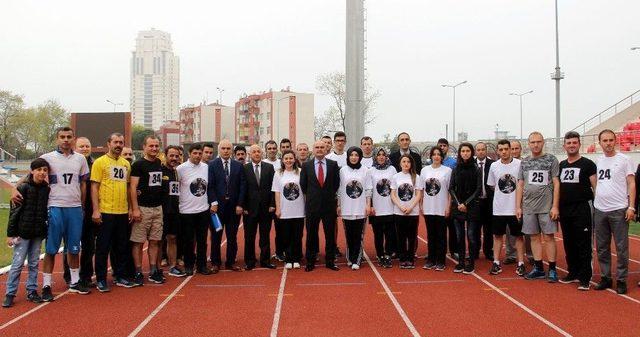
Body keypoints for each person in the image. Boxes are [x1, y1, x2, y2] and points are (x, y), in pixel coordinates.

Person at [11, 127, 92, 299]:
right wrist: (13, 189)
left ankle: (75, 282)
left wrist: (82, 206)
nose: (65, 140)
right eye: (62, 137)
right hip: (54, 207)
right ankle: (47, 285)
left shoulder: (80, 159)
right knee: (51, 249)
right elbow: (29, 175)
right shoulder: (47, 158)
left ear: (73, 139)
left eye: (69, 137)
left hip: (75, 209)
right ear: (57, 139)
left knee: (74, 248)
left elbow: (83, 184)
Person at [3, 159, 50, 308]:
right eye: (39, 170)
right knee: (17, 264)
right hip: (23, 232)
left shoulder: (46, 189)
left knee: (34, 263)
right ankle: (10, 293)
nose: (42, 172)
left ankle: (32, 291)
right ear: (32, 171)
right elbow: (14, 213)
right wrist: (11, 234)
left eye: (44, 170)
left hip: (37, 233)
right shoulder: (22, 188)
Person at [593, 129, 635, 294]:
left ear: (615, 141)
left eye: (611, 140)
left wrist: (631, 207)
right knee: (602, 246)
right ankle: (605, 277)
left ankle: (622, 279)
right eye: (605, 140)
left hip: (619, 209)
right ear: (600, 142)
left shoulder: (625, 160)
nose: (608, 143)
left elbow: (631, 183)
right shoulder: (599, 160)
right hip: (600, 209)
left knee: (621, 247)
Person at [92, 133, 135, 291]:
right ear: (108, 143)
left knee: (121, 246)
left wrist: (130, 208)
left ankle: (120, 275)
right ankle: (101, 279)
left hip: (122, 212)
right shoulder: (100, 162)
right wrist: (96, 210)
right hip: (106, 211)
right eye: (115, 142)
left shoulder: (126, 164)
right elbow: (94, 187)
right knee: (103, 247)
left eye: (121, 142)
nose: (118, 145)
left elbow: (129, 187)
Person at [516, 132, 560, 282]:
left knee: (548, 237)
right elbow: (520, 185)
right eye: (533, 142)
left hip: (546, 207)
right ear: (528, 144)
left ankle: (553, 269)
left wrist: (555, 206)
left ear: (543, 142)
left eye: (538, 142)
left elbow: (556, 183)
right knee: (534, 237)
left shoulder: (551, 159)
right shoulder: (524, 162)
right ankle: (539, 268)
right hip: (528, 207)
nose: (535, 145)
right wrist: (518, 206)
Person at [558, 131, 596, 291]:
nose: (572, 145)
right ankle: (572, 271)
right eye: (569, 143)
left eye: (574, 142)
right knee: (569, 242)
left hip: (582, 208)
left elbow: (596, 187)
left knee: (583, 242)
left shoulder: (588, 164)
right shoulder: (562, 165)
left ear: (579, 144)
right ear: (564, 146)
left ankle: (585, 277)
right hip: (565, 209)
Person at [486, 139, 526, 277]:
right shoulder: (494, 166)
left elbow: (522, 184)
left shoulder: (520, 164)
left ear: (510, 149)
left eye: (506, 149)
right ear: (498, 151)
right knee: (497, 236)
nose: (503, 152)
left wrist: (519, 205)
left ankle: (521, 263)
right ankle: (496, 262)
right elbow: (492, 185)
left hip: (515, 208)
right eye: (501, 149)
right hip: (499, 208)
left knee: (518, 237)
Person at [300, 140, 341, 271]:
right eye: (317, 147)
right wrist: (314, 197)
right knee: (311, 234)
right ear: (313, 149)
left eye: (322, 147)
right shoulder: (306, 165)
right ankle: (310, 261)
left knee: (330, 234)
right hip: (312, 205)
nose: (319, 149)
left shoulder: (333, 164)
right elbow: (303, 185)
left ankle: (330, 261)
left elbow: (336, 184)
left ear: (326, 149)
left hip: (329, 205)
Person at [129, 135, 165, 285]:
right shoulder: (138, 165)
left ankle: (153, 270)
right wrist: (135, 209)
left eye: (156, 146)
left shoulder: (158, 163)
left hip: (157, 208)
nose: (154, 149)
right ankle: (138, 271)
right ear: (144, 147)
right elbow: (132, 187)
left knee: (155, 241)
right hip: (142, 209)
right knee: (138, 242)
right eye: (151, 146)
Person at [208, 140, 246, 272]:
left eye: (228, 148)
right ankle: (215, 262)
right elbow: (210, 186)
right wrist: (213, 202)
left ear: (232, 150)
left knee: (232, 236)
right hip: (217, 209)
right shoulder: (212, 165)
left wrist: (240, 204)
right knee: (216, 236)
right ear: (219, 150)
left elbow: (242, 186)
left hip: (233, 208)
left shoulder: (238, 166)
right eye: (223, 148)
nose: (226, 151)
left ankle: (230, 262)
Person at [176, 143, 211, 275]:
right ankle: (189, 265)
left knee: (202, 240)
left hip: (203, 210)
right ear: (189, 154)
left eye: (199, 153)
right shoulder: (180, 169)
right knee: (188, 241)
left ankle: (202, 265)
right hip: (186, 211)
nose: (197, 156)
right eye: (195, 153)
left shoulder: (206, 167)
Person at [449, 142, 481, 274]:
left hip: (472, 206)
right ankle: (461, 262)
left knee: (471, 236)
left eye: (468, 151)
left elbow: (478, 189)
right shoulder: (456, 169)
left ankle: (471, 262)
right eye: (463, 151)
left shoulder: (476, 169)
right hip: (457, 207)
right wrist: (458, 203)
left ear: (471, 152)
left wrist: (466, 204)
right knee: (459, 236)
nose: (465, 153)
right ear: (459, 153)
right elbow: (451, 188)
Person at [243, 144, 276, 270]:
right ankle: (250, 261)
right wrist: (243, 206)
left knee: (265, 236)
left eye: (258, 151)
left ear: (262, 153)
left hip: (266, 208)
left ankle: (265, 260)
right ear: (250, 154)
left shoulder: (269, 167)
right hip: (250, 209)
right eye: (254, 152)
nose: (256, 154)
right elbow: (243, 189)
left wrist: (272, 204)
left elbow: (274, 187)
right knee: (249, 237)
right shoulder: (245, 168)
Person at [338, 147, 372, 270]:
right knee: (349, 235)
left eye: (356, 155)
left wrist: (368, 205)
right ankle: (350, 258)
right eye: (351, 155)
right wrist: (339, 205)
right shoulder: (342, 170)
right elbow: (340, 189)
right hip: (347, 208)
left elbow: (368, 189)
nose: (354, 157)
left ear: (360, 157)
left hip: (360, 208)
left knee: (359, 235)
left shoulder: (365, 170)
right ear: (348, 156)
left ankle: (357, 259)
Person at [273, 150, 306, 269]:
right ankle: (289, 258)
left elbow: (305, 191)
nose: (288, 161)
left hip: (299, 209)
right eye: (286, 158)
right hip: (285, 210)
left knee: (297, 235)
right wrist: (278, 208)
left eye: (291, 158)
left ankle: (296, 258)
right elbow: (277, 192)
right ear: (282, 160)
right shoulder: (278, 174)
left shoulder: (301, 172)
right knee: (286, 236)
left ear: (294, 159)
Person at [420, 147, 452, 271]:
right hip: (429, 207)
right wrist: (421, 206)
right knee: (431, 235)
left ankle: (441, 260)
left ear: (442, 157)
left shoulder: (447, 171)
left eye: (439, 154)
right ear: (431, 156)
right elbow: (422, 190)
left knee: (441, 235)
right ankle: (431, 259)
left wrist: (448, 207)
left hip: (441, 207)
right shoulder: (424, 170)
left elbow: (450, 191)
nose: (436, 156)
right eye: (434, 154)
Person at [391, 154, 423, 269]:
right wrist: (400, 206)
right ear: (400, 163)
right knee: (401, 236)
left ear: (411, 164)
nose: (406, 164)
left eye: (408, 162)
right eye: (404, 161)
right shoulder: (395, 177)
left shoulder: (416, 177)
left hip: (412, 212)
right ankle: (403, 258)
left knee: (412, 236)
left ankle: (410, 258)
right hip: (399, 211)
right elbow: (393, 194)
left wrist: (411, 207)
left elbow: (419, 194)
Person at [369, 148, 397, 268]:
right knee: (378, 234)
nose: (381, 157)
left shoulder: (392, 169)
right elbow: (368, 191)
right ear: (375, 157)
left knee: (390, 234)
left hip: (390, 207)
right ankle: (380, 255)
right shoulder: (371, 170)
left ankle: (388, 255)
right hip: (377, 208)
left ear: (386, 156)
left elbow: (396, 187)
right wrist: (370, 206)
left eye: (383, 155)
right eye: (378, 155)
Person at [161, 145, 186, 277]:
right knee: (158, 240)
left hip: (175, 211)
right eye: (171, 155)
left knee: (172, 238)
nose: (174, 158)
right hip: (161, 211)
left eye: (177, 156)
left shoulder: (178, 172)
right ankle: (156, 268)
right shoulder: (160, 170)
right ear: (166, 156)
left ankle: (173, 266)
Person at [475, 142, 494, 261]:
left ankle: (488, 251)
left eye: (483, 149)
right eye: (478, 150)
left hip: (489, 201)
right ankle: (475, 251)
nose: (481, 151)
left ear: (486, 151)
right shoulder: (471, 165)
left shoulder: (493, 164)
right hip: (475, 202)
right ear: (475, 151)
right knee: (475, 229)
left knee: (489, 229)